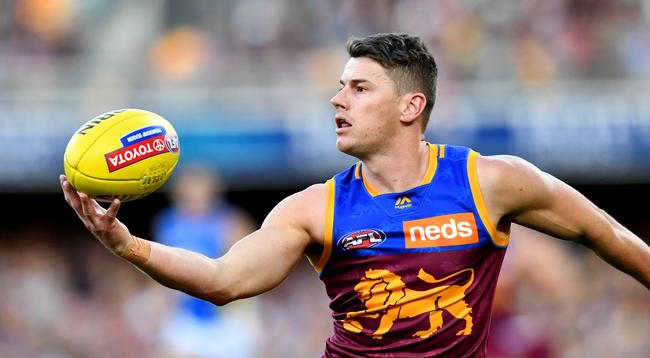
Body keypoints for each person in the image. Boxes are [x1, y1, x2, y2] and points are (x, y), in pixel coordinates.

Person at [59, 32, 650, 357]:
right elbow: (223, 279)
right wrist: (126, 244)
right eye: (340, 87)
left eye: (359, 88)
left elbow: (610, 236)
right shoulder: (313, 208)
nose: (337, 100)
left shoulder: (490, 181)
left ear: (409, 107)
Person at [150, 165, 258, 358]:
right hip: (186, 315)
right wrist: (162, 313)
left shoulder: (231, 222)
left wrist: (250, 317)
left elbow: (250, 269)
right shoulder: (168, 224)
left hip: (225, 318)